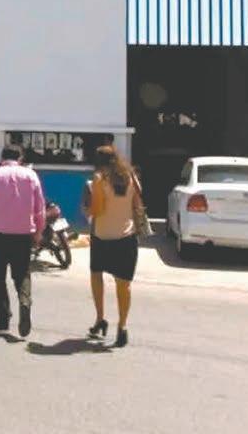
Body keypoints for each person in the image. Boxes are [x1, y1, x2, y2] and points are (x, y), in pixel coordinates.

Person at [0, 145, 46, 338]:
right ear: (20, 158)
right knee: (22, 273)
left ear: (2, 157)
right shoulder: (31, 176)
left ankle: (3, 320)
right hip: (23, 235)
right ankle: (24, 300)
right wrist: (39, 232)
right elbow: (39, 208)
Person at [83, 145, 146, 348]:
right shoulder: (131, 176)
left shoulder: (98, 179)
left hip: (102, 236)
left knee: (96, 275)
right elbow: (138, 203)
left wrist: (87, 207)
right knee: (123, 284)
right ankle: (122, 327)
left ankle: (100, 318)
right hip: (126, 237)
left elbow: (95, 210)